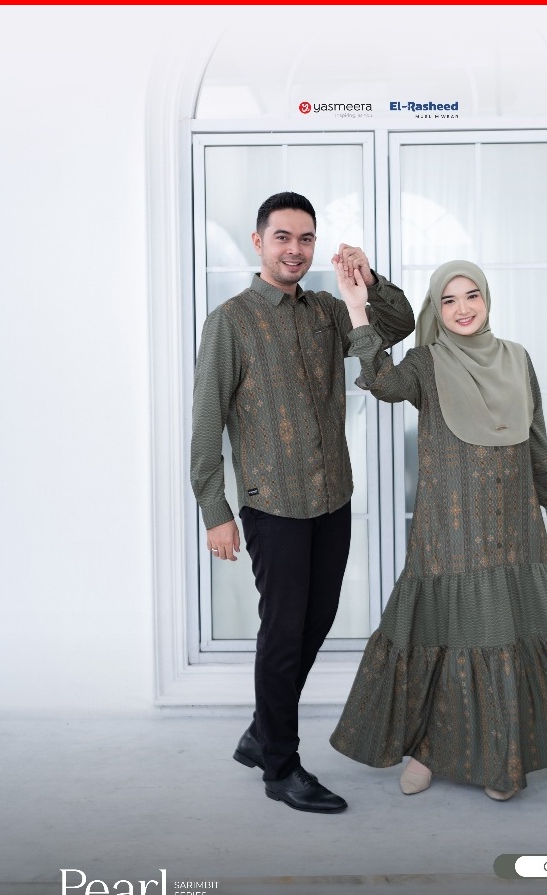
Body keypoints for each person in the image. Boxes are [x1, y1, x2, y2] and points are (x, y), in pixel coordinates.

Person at [329, 258, 547, 800]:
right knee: (445, 635)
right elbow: (380, 381)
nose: (463, 308)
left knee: (500, 637)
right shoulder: (426, 363)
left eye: (471, 295)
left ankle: (502, 758)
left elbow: (535, 437)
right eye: (448, 300)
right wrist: (358, 308)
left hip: (513, 525)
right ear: (437, 309)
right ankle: (427, 750)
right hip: (449, 527)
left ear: (487, 299)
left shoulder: (517, 358)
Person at [190, 191, 415, 814]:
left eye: (306, 239)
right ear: (259, 242)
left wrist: (368, 279)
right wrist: (215, 511)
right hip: (273, 505)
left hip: (331, 496)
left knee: (315, 622)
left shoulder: (327, 312)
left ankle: (261, 732)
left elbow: (398, 324)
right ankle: (281, 766)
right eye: (283, 237)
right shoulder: (230, 322)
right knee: (284, 632)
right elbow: (207, 421)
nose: (295, 250)